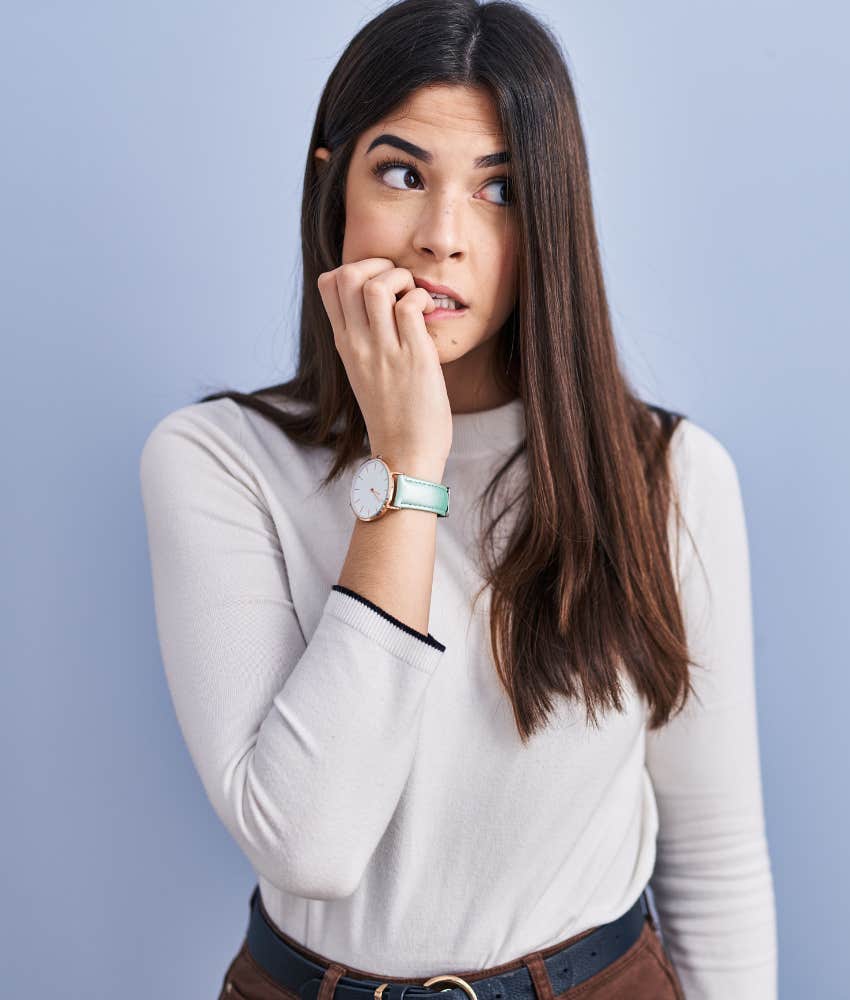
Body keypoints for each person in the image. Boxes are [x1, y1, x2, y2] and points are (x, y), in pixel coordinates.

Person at [138, 1, 778, 997]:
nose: (443, 238)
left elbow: (715, 859)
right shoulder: (220, 461)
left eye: (500, 190)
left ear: (551, 218)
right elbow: (309, 844)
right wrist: (406, 465)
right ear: (331, 185)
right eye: (401, 174)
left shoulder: (668, 474)